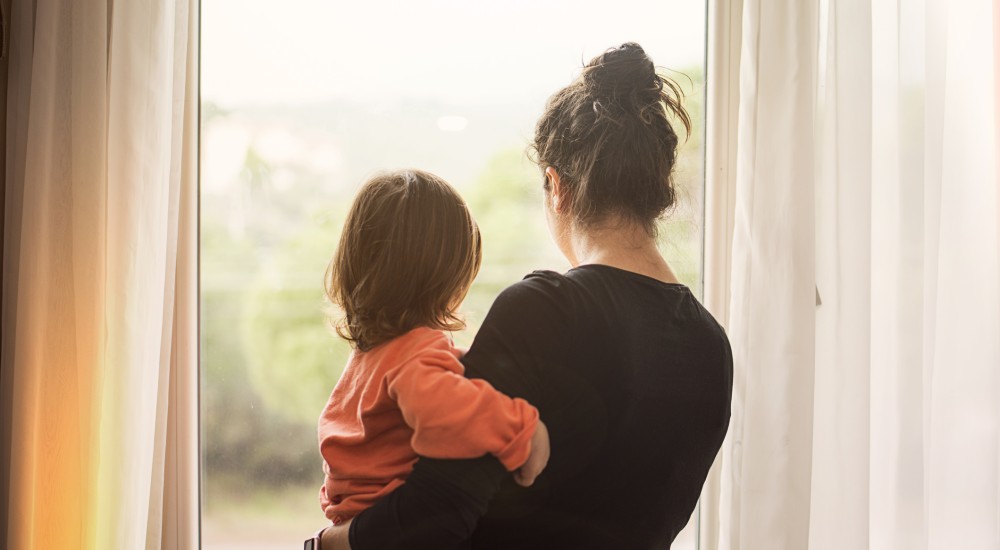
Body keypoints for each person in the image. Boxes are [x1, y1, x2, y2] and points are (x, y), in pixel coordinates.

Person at [321, 42, 733, 550]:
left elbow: (432, 520)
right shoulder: (711, 346)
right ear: (656, 189)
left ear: (556, 187)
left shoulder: (545, 310)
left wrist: (322, 543)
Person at [314, 170, 551, 531]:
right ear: (447, 280)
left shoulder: (370, 357)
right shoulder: (415, 355)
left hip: (355, 523)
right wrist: (523, 431)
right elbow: (451, 415)